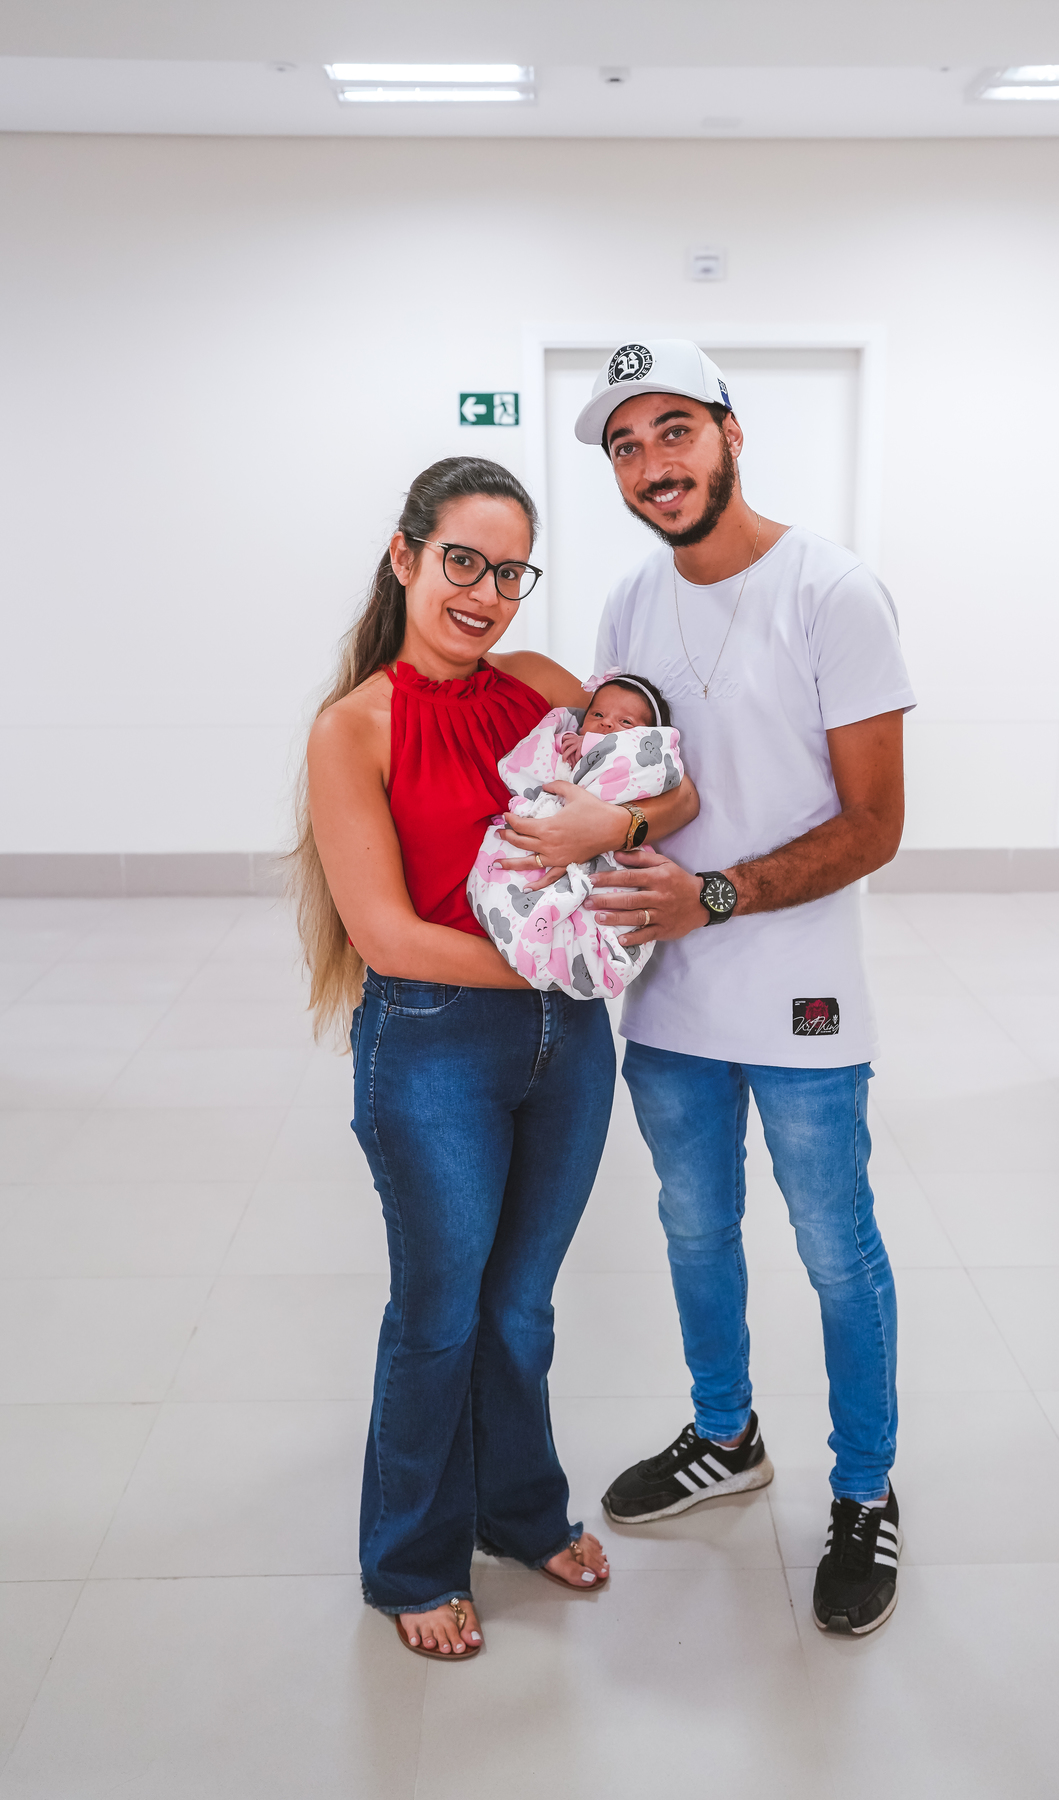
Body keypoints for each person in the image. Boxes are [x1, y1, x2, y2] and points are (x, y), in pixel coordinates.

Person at [509, 340, 915, 1636]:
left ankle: (864, 1490)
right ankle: (726, 1435)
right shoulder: (632, 602)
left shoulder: (832, 591)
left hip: (802, 996)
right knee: (695, 1231)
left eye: (672, 430)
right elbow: (626, 786)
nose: (651, 465)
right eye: (626, 447)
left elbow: (876, 823)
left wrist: (717, 896)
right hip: (669, 998)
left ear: (731, 434)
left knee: (836, 1252)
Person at [293, 455, 699, 1660]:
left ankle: (521, 1516)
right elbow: (387, 936)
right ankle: (411, 1562)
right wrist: (565, 961)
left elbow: (668, 788)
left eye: (510, 572)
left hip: (567, 1050)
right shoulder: (354, 728)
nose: (484, 594)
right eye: (461, 562)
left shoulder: (542, 688)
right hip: (433, 1049)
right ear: (405, 555)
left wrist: (617, 823)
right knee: (438, 1314)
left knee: (520, 1309)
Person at [468, 673, 683, 998]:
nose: (607, 724)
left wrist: (595, 748)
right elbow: (537, 776)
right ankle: (537, 943)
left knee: (610, 904)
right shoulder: (565, 745)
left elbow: (640, 766)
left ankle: (583, 955)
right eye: (597, 714)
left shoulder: (642, 757)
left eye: (625, 721)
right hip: (549, 837)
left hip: (609, 852)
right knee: (513, 877)